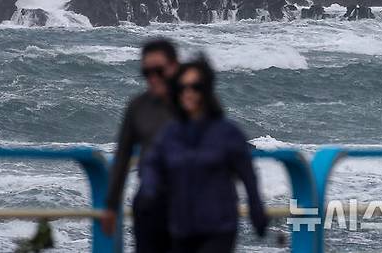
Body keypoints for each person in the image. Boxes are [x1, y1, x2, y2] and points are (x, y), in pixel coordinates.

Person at [139, 58, 268, 253]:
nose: (188, 92)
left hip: (218, 228)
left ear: (206, 90)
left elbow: (248, 176)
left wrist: (256, 212)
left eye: (195, 86)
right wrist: (149, 192)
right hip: (181, 229)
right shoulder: (169, 135)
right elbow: (152, 164)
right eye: (183, 87)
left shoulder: (227, 133)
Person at [101, 38, 179, 253]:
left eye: (159, 71)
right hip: (149, 205)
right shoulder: (138, 106)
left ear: (174, 67)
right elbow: (123, 157)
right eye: (147, 72)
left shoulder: (194, 103)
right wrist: (110, 206)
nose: (153, 78)